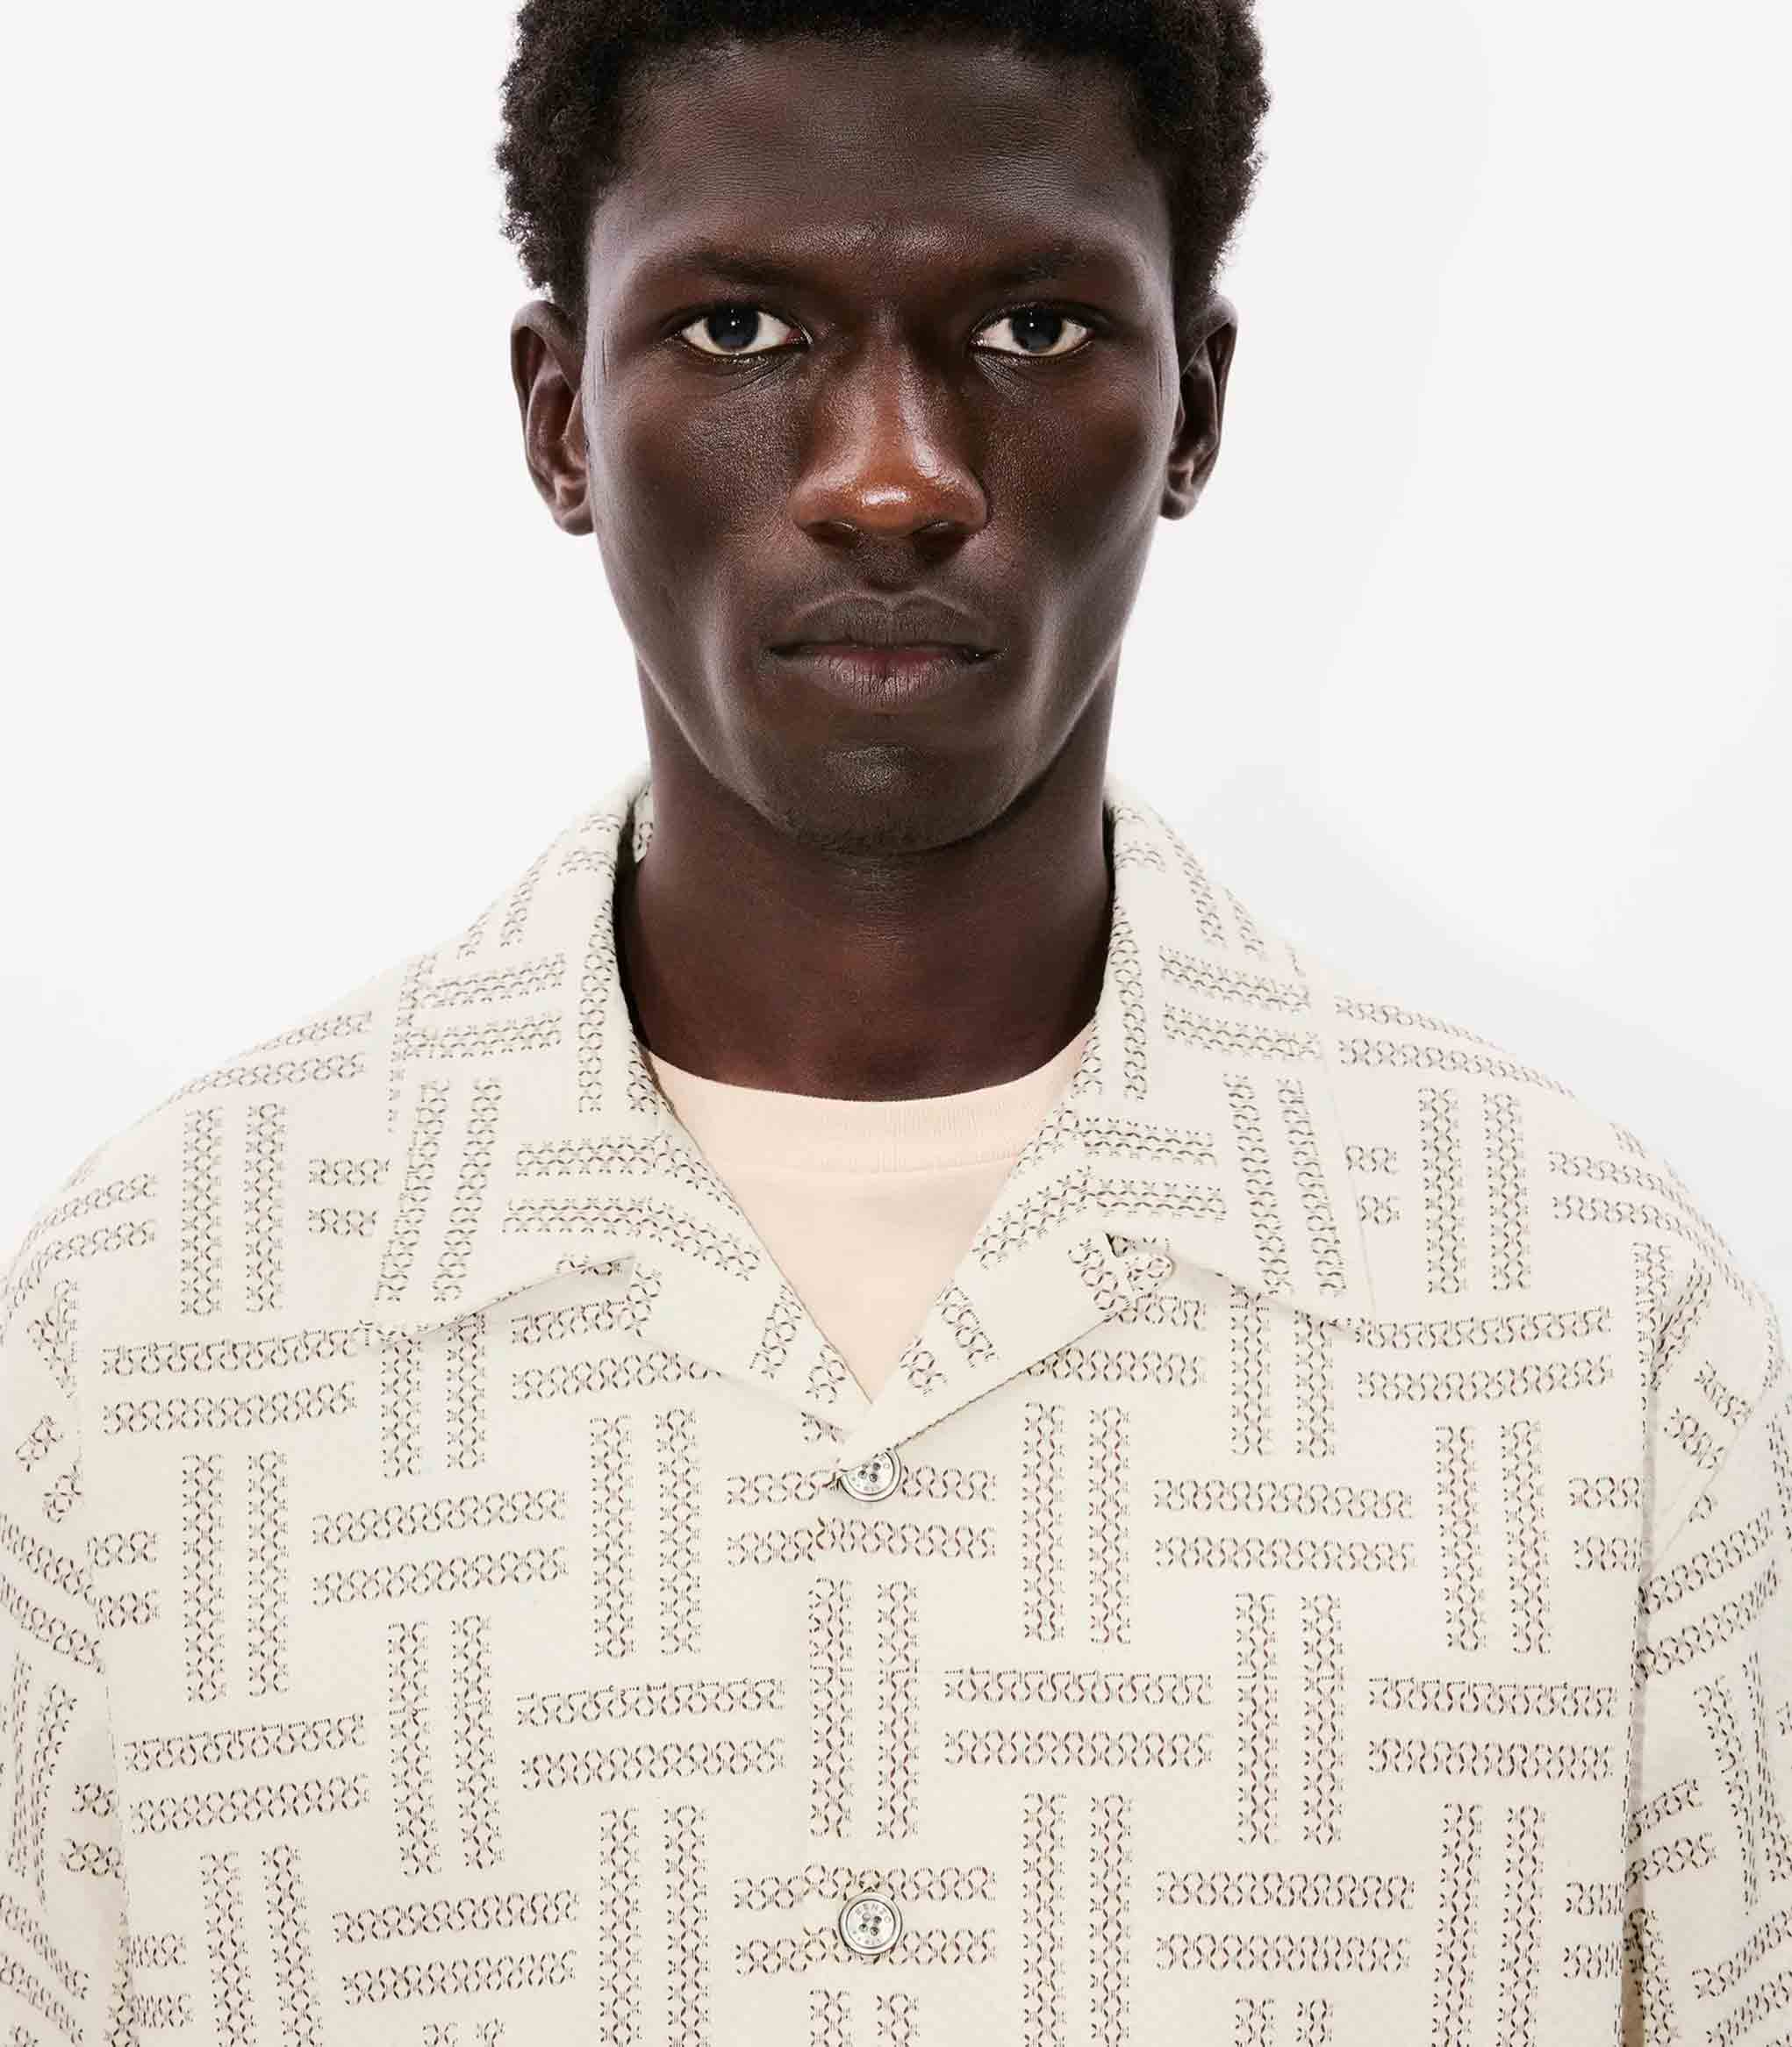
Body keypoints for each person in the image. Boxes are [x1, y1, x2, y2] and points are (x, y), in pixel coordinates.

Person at [1, 3, 1782, 2039]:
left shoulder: (1586, 1322)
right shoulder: (150, 1334)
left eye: (1028, 329)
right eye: (741, 331)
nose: (889, 481)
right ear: (560, 419)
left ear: (1192, 410)